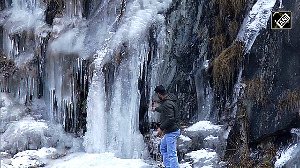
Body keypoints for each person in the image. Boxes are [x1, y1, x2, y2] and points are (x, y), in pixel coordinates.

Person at [152, 85, 181, 168]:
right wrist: (156, 109)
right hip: (171, 131)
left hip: (172, 131)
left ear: (159, 94)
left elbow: (170, 118)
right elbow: (165, 109)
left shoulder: (167, 103)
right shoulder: (169, 100)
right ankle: (168, 166)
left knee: (172, 153)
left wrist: (161, 128)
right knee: (163, 148)